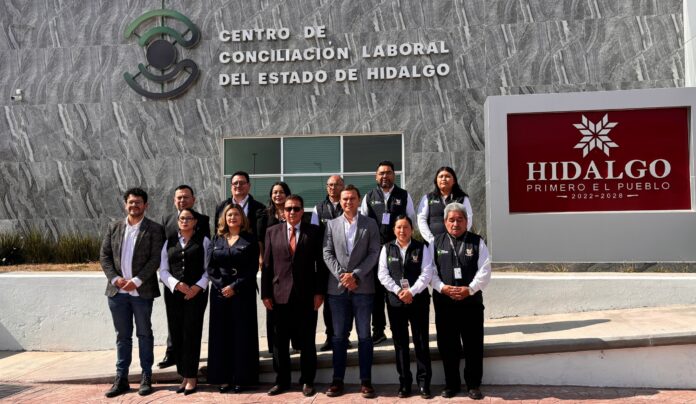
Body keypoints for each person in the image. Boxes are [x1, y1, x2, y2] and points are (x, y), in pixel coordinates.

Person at [100, 187, 165, 398]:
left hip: (142, 292)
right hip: (117, 293)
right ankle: (121, 379)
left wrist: (136, 281)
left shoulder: (154, 229)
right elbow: (105, 256)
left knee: (144, 334)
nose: (134, 205)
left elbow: (155, 258)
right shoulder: (114, 227)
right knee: (122, 336)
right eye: (131, 202)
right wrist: (115, 279)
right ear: (125, 204)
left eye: (138, 202)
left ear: (146, 205)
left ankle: (146, 376)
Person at [262, 195, 325, 397]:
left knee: (307, 341)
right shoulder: (272, 232)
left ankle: (307, 380)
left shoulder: (314, 232)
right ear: (283, 211)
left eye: (296, 208)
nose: (292, 212)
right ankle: (282, 381)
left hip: (306, 295)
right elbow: (267, 266)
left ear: (302, 211)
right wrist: (265, 293)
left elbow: (320, 265)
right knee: (280, 343)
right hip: (279, 296)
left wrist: (319, 292)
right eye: (288, 208)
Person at [323, 185, 381, 398]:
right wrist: (342, 276)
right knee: (338, 337)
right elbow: (327, 252)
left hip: (363, 287)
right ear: (340, 201)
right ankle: (337, 380)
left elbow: (374, 252)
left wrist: (355, 275)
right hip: (337, 289)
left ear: (358, 200)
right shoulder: (331, 224)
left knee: (364, 336)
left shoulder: (370, 223)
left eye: (352, 198)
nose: (348, 202)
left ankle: (365, 381)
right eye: (345, 199)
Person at [430, 203, 491, 400]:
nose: (455, 224)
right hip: (445, 303)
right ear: (445, 222)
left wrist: (469, 289)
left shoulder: (477, 242)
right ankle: (451, 384)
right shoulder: (435, 243)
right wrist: (442, 287)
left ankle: (473, 384)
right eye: (451, 220)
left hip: (470, 303)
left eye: (459, 219)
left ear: (466, 221)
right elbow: (430, 271)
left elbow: (485, 270)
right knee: (448, 345)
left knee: (473, 344)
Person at [377, 215, 434, 399]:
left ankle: (424, 383)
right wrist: (398, 291)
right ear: (394, 230)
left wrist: (412, 292)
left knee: (421, 342)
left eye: (406, 227)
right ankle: (405, 383)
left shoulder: (421, 247)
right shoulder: (387, 248)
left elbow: (427, 273)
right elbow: (382, 274)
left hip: (418, 301)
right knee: (400, 344)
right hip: (395, 302)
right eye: (399, 227)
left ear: (412, 229)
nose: (402, 231)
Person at [360, 160, 416, 345]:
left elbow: (411, 220)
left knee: (398, 287)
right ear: (376, 176)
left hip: (397, 249)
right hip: (375, 251)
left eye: (388, 172)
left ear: (394, 175)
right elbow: (363, 224)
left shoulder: (404, 195)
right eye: (381, 173)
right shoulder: (369, 196)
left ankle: (400, 328)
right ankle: (378, 330)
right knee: (377, 293)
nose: (385, 176)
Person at [206, 204, 260, 394]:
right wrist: (223, 286)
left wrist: (234, 287)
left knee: (242, 335)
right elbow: (210, 267)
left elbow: (252, 268)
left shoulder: (250, 239)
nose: (232, 217)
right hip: (219, 293)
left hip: (242, 292)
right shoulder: (217, 238)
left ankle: (242, 378)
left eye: (236, 214)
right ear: (224, 218)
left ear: (242, 218)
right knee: (221, 335)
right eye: (229, 215)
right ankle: (223, 378)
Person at [158, 185, 210, 370]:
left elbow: (205, 256)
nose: (182, 200)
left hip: (196, 284)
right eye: (179, 197)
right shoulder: (166, 220)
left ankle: (189, 366)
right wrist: (174, 283)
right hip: (174, 284)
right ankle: (172, 353)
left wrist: (198, 285)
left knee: (192, 327)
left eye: (186, 197)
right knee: (174, 324)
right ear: (174, 200)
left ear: (193, 200)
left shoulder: (203, 220)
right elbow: (164, 257)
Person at [310, 175, 351, 352]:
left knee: (347, 301)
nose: (333, 188)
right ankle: (330, 336)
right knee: (329, 303)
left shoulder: (348, 205)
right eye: (330, 185)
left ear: (343, 186)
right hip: (325, 262)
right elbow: (313, 234)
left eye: (337, 184)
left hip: (346, 261)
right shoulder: (318, 208)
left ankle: (345, 336)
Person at [257, 181, 293, 354]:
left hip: (289, 265)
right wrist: (261, 258)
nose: (278, 195)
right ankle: (274, 346)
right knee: (273, 305)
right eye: (275, 192)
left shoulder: (292, 212)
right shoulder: (264, 214)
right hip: (272, 264)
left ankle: (295, 342)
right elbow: (260, 239)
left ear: (287, 194)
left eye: (281, 192)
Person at [417, 167, 473, 245]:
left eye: (447, 176)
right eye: (441, 176)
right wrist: (431, 239)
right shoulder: (428, 198)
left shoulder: (462, 198)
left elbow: (468, 218)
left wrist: (459, 236)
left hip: (457, 242)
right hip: (432, 243)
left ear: (454, 181)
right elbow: (421, 219)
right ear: (436, 181)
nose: (444, 179)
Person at [214, 171, 266, 236]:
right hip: (226, 241)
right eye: (235, 183)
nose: (238, 185)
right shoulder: (221, 207)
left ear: (249, 186)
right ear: (231, 187)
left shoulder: (260, 208)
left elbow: (261, 234)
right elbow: (217, 232)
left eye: (242, 183)